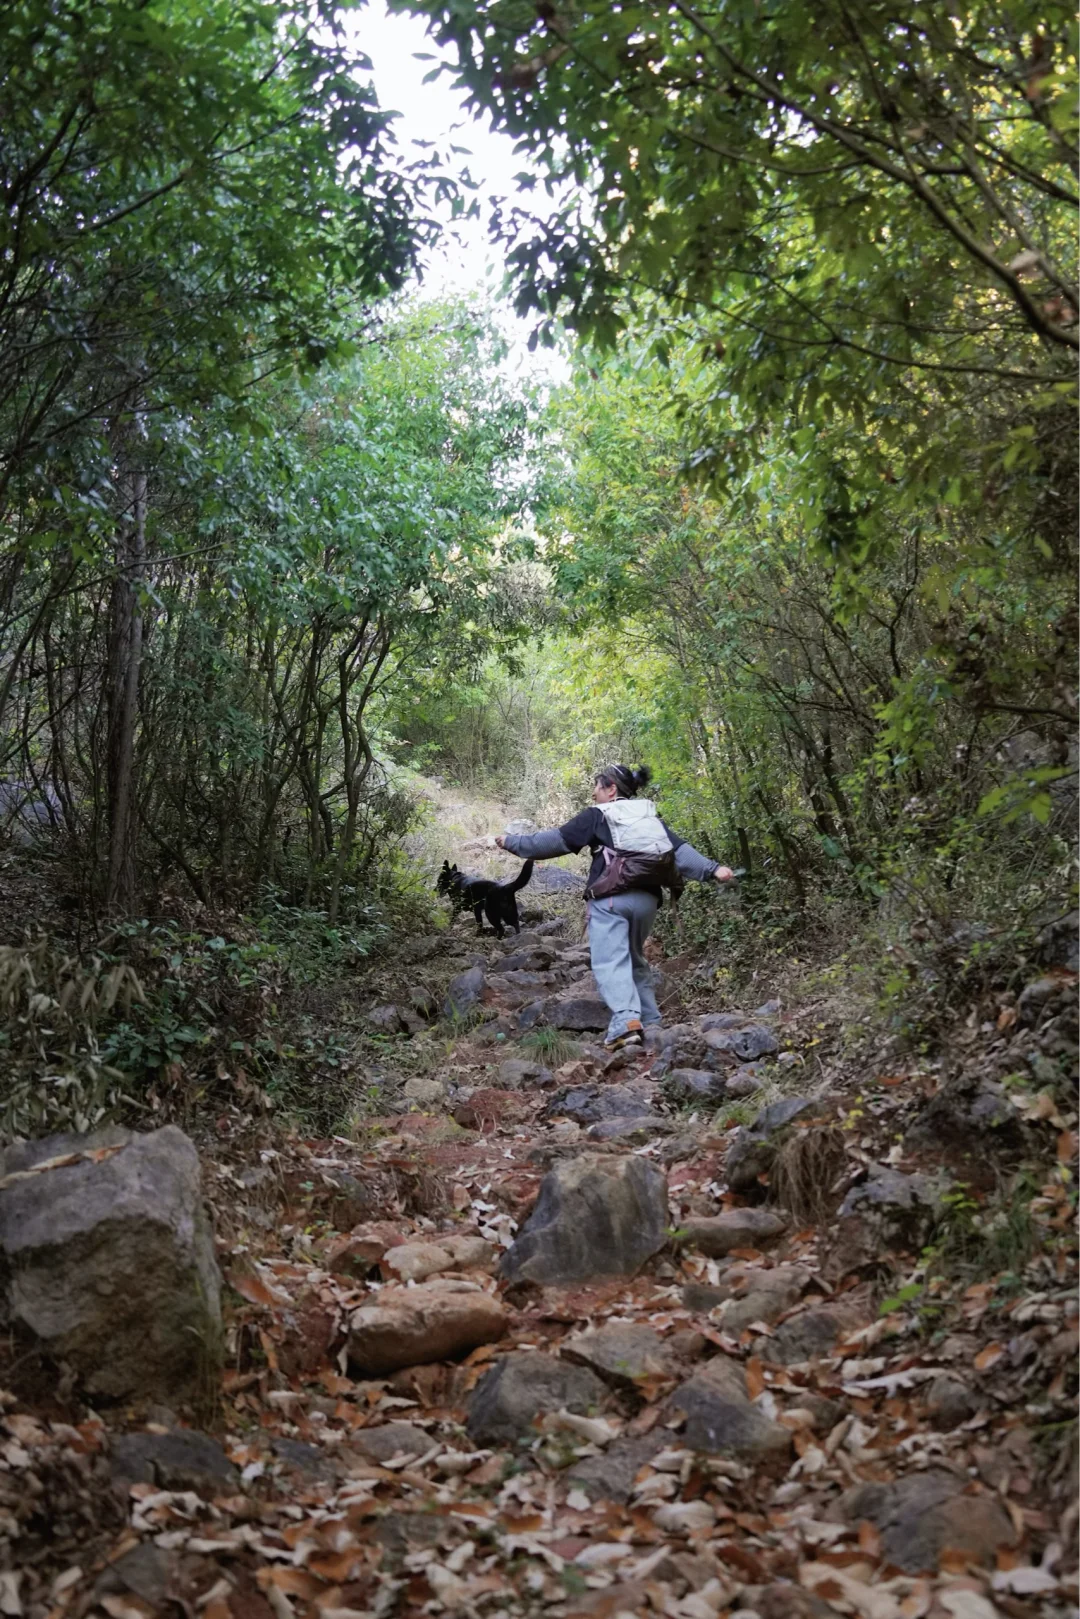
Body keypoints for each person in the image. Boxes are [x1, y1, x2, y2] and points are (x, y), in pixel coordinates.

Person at [496, 764, 733, 1050]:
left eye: (597, 787)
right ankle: (650, 1020)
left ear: (611, 789)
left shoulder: (598, 815)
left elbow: (552, 842)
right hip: (647, 902)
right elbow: (680, 852)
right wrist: (713, 869)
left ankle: (626, 1022)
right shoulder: (649, 817)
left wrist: (511, 842)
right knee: (633, 958)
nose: (594, 794)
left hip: (610, 898)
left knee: (610, 961)